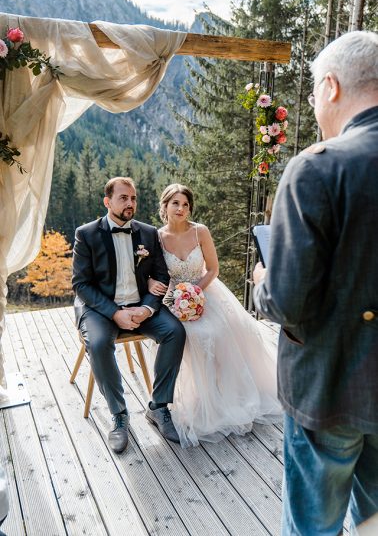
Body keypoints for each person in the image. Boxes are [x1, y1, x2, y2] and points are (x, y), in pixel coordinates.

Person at [252, 30, 378, 535]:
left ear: (330, 87)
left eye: (310, 92)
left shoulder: (317, 169)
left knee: (313, 528)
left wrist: (263, 279)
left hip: (328, 392)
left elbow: (285, 300)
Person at [148, 183, 282, 448]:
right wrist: (176, 295)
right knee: (186, 335)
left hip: (205, 291)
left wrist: (195, 290)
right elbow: (154, 273)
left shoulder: (200, 231)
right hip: (175, 298)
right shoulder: (157, 237)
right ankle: (196, 397)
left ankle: (226, 394)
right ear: (165, 206)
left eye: (185, 204)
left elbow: (213, 269)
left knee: (218, 331)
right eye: (175, 203)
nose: (181, 209)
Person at [72, 177, 186, 453]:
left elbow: (160, 275)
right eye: (123, 198)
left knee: (175, 332)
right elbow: (81, 284)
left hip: (140, 305)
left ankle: (158, 406)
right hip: (101, 309)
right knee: (98, 344)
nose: (130, 203)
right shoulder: (86, 234)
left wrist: (146, 308)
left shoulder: (148, 233)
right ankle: (119, 414)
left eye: (133, 198)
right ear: (107, 201)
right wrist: (115, 314)